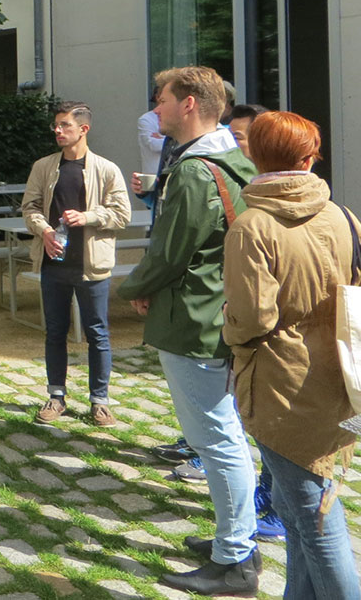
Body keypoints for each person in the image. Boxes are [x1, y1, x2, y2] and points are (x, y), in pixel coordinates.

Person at [117, 66, 260, 596]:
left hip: (197, 319)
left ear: (191, 104)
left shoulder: (199, 169)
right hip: (220, 310)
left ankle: (236, 560)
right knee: (226, 437)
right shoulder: (231, 158)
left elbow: (172, 250)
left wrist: (132, 287)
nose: (156, 109)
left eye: (163, 100)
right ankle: (236, 537)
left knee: (216, 440)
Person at [222, 111, 360, 599]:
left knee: (318, 521)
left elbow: (251, 318)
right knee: (300, 508)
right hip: (340, 378)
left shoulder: (252, 226)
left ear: (252, 155)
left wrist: (230, 333)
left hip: (282, 386)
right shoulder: (343, 215)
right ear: (309, 157)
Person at [22, 101, 130, 427]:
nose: (58, 130)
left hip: (91, 266)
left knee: (97, 334)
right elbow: (29, 207)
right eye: (56, 125)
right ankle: (56, 397)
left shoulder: (107, 169)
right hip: (53, 265)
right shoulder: (43, 166)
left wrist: (88, 216)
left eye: (65, 125)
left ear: (83, 129)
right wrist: (44, 230)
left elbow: (121, 214)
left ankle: (100, 401)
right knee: (54, 332)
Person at [137, 87, 165, 176]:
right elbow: (154, 145)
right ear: (157, 97)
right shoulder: (146, 119)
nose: (157, 112)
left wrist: (163, 138)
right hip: (153, 178)